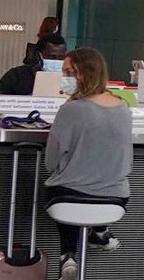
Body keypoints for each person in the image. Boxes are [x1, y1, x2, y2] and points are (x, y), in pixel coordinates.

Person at [40, 47, 133, 249]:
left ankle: (68, 255)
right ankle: (99, 231)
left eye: (68, 73)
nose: (63, 78)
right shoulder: (123, 107)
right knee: (89, 188)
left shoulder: (70, 109)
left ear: (83, 74)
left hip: (67, 196)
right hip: (116, 198)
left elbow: (51, 163)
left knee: (67, 185)